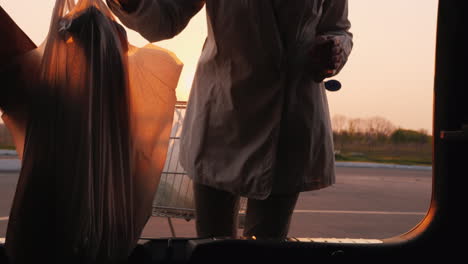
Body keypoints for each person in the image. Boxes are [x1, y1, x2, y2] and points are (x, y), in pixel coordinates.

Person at [107, 0, 353, 240]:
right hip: (221, 116)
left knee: (269, 247)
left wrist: (334, 48)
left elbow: (337, 27)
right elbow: (165, 19)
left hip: (288, 122)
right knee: (212, 245)